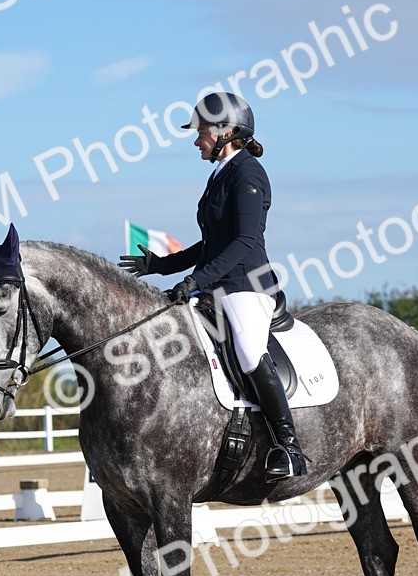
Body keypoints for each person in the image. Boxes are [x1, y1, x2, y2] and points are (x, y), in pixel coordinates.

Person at [119, 91, 307, 479]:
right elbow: (211, 244)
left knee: (249, 351)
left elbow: (244, 243)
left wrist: (195, 280)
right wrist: (162, 265)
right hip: (216, 286)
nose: (195, 140)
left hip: (246, 286)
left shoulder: (249, 173)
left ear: (226, 132)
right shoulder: (219, 175)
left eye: (201, 132)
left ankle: (289, 448)